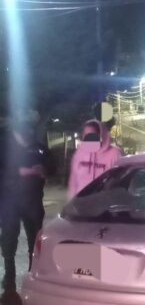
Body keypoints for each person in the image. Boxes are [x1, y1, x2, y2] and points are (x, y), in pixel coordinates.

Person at [0, 121, 56, 292]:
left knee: (35, 238)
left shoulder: (38, 147)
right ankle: (9, 275)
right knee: (9, 237)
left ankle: (34, 271)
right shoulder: (4, 146)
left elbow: (52, 166)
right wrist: (19, 172)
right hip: (9, 201)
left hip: (33, 201)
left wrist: (44, 169)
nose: (28, 134)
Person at [67, 119, 122, 199]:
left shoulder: (114, 153)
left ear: (101, 135)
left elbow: (118, 181)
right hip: (81, 203)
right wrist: (71, 201)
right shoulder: (79, 153)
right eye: (86, 135)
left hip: (103, 203)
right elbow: (73, 180)